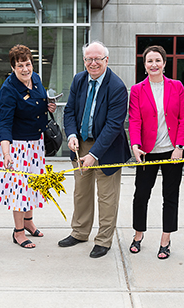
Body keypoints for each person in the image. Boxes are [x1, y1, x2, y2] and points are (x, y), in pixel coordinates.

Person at [60, 41, 131, 258]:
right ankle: (80, 232)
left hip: (107, 148)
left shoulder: (117, 87)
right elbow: (69, 111)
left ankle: (103, 240)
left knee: (107, 197)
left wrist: (94, 155)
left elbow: (113, 126)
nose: (93, 63)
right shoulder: (79, 80)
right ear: (84, 61)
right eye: (88, 59)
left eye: (97, 59)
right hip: (81, 144)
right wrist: (71, 136)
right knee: (81, 192)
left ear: (106, 60)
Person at [128, 45, 184, 259]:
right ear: (144, 66)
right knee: (141, 195)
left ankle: (165, 239)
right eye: (149, 61)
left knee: (170, 196)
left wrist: (179, 147)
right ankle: (138, 234)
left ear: (164, 63)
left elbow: (183, 118)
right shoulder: (137, 90)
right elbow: (134, 120)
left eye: (157, 60)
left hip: (172, 151)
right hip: (147, 151)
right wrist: (135, 145)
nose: (154, 65)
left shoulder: (177, 86)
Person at [0, 45, 56, 249]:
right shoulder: (9, 89)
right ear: (13, 67)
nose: (25, 69)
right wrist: (6, 152)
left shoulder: (36, 79)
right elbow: (4, 122)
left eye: (28, 64)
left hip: (36, 143)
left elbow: (39, 103)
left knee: (33, 185)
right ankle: (18, 231)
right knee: (19, 190)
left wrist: (48, 106)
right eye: (20, 65)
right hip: (16, 146)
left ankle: (29, 221)